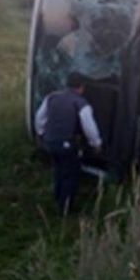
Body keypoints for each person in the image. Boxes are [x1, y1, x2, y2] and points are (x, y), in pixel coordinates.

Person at [35, 72, 102, 215]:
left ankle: (57, 197)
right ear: (82, 87)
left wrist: (41, 134)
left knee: (58, 170)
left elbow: (39, 118)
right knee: (70, 175)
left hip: (50, 143)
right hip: (67, 145)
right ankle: (65, 209)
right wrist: (96, 144)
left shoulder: (51, 97)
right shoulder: (81, 104)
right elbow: (89, 128)